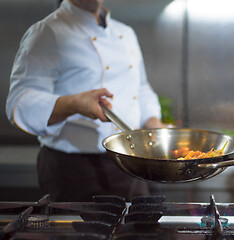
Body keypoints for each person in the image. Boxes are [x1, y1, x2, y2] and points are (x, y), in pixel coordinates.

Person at [6, 0, 167, 202]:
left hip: (130, 163)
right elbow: (19, 103)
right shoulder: (47, 31)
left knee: (141, 230)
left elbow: (141, 89)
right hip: (73, 169)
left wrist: (154, 125)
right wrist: (75, 103)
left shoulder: (125, 33)